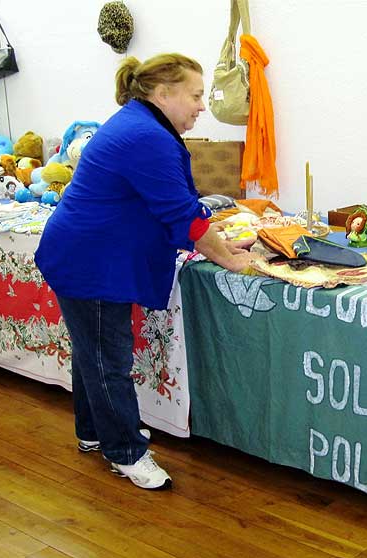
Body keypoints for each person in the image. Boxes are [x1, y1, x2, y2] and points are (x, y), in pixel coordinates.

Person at [34, 53, 256, 491]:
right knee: (106, 357)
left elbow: (175, 209)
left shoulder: (139, 124)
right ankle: (126, 452)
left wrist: (218, 243)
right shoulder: (146, 136)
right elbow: (183, 217)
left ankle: (94, 431)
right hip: (91, 261)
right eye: (195, 96)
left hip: (85, 253)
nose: (200, 106)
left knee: (92, 351)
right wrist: (228, 258)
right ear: (163, 93)